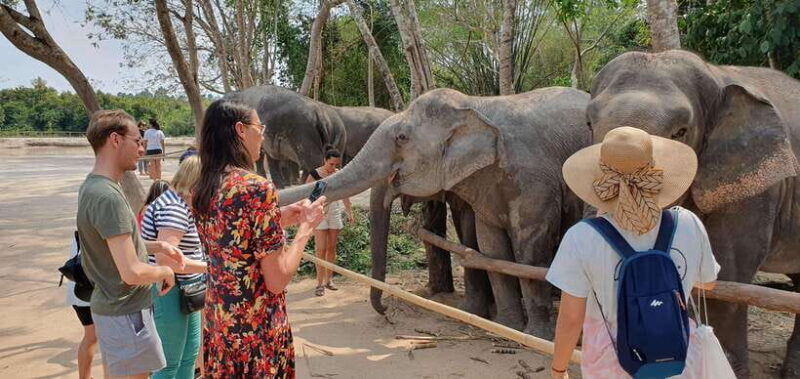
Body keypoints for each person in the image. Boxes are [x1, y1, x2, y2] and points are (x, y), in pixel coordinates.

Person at [547, 127, 721, 378]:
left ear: (600, 179)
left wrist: (558, 370)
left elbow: (571, 318)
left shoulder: (581, 238)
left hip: (610, 364)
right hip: (676, 359)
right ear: (655, 173)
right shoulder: (688, 223)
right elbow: (708, 283)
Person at [192, 99, 325, 377]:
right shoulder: (256, 188)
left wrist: (280, 215)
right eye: (259, 127)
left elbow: (235, 240)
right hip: (258, 335)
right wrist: (306, 229)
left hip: (220, 328)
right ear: (240, 130)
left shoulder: (203, 187)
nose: (262, 135)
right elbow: (277, 281)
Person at [77, 109, 186, 379]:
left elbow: (112, 247)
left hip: (114, 310)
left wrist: (156, 247)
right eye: (137, 141)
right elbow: (131, 272)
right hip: (126, 314)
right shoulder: (108, 197)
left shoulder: (94, 187)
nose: (142, 148)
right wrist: (165, 272)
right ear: (115, 140)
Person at [141, 155, 207, 379]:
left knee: (188, 356)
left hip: (186, 291)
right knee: (169, 363)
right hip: (172, 291)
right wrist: (211, 267)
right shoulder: (174, 210)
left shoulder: (175, 204)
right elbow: (167, 263)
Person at [305, 148, 355, 296]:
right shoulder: (315, 174)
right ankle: (319, 283)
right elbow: (308, 195)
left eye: (336, 164)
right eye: (331, 164)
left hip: (334, 211)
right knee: (320, 249)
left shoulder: (339, 174)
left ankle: (329, 280)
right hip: (319, 212)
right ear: (325, 160)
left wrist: (349, 212)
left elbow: (345, 194)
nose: (333, 167)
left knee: (332, 248)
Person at [65, 233, 101, 379]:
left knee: (91, 336)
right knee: (109, 338)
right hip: (93, 293)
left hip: (78, 293)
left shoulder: (80, 229)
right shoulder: (101, 231)